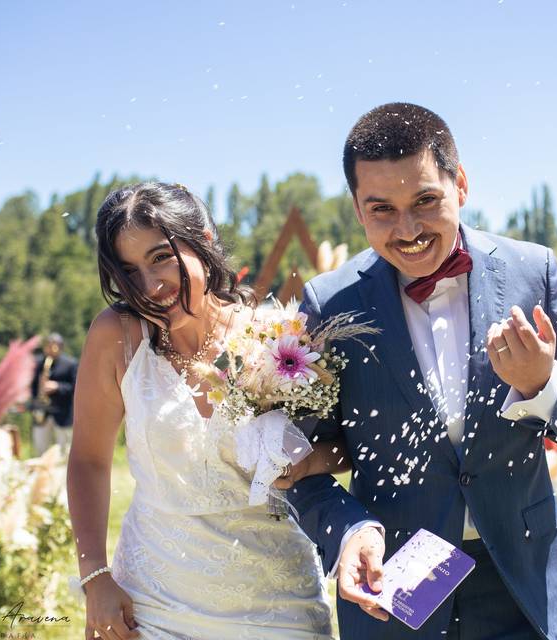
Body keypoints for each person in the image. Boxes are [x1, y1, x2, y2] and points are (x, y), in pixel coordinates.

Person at [287, 103, 557, 640]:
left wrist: (543, 385)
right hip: (392, 588)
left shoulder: (537, 272)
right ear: (356, 208)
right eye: (382, 210)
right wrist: (348, 533)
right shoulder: (326, 305)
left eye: (425, 200)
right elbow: (298, 465)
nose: (408, 229)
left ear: (460, 184)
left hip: (523, 584)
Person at [67, 182, 345, 640]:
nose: (151, 286)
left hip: (279, 606)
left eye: (161, 258)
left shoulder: (280, 339)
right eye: (129, 272)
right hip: (153, 606)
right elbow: (88, 460)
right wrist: (95, 576)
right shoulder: (115, 336)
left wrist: (309, 461)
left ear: (204, 240)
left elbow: (347, 449)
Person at [29, 333, 77, 455]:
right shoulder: (38, 363)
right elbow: (32, 386)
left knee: (64, 450)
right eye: (48, 346)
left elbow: (75, 387)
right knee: (41, 449)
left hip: (62, 413)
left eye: (53, 346)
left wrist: (57, 386)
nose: (50, 350)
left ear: (60, 347)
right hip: (42, 413)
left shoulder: (70, 364)